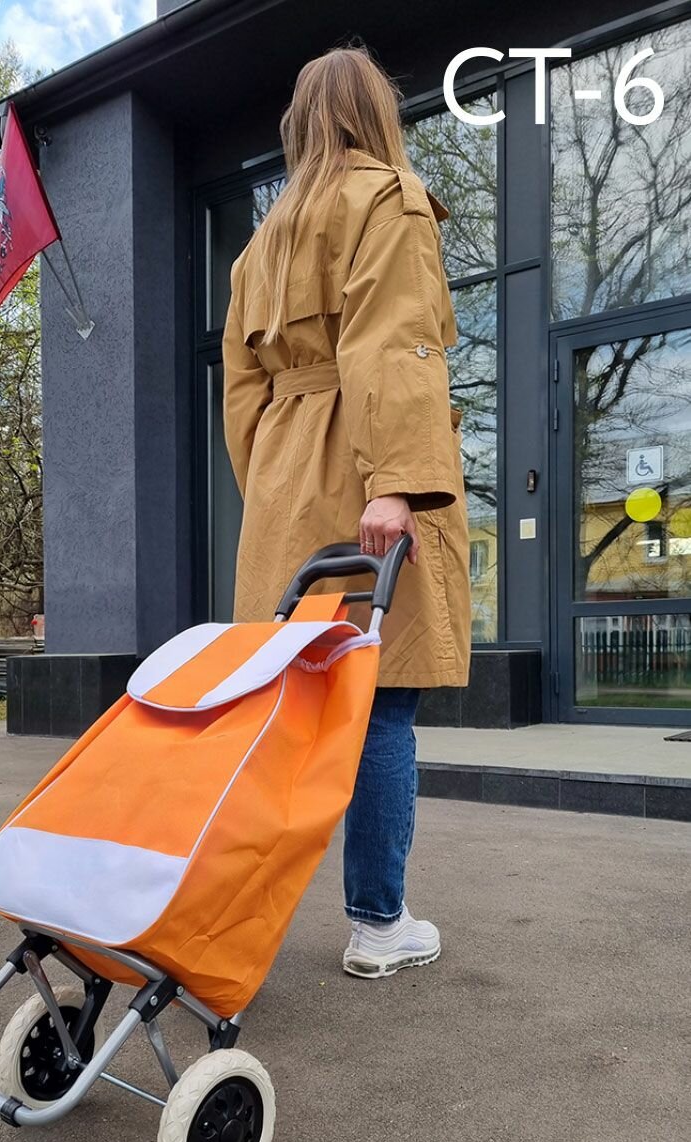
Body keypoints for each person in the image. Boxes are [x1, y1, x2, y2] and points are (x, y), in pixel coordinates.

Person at [221, 44, 471, 980]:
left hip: (284, 484)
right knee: (381, 709)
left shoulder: (260, 246)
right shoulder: (387, 200)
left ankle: (231, 919)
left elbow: (241, 399)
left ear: (300, 126)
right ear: (376, 116)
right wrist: (395, 482)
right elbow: (391, 345)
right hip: (368, 478)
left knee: (283, 714)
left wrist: (272, 490)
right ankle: (378, 923)